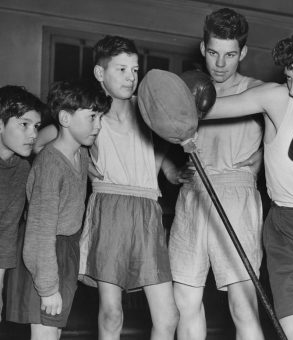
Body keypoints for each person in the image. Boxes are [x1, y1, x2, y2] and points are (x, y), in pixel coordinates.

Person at [204, 18, 293, 340]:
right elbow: (205, 110)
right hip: (289, 231)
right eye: (289, 77)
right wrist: (171, 101)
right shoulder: (277, 99)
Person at [75, 35, 182, 340]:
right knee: (112, 312)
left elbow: (158, 144)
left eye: (135, 70)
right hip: (110, 208)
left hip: (147, 208)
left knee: (169, 316)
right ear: (100, 73)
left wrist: (168, 168)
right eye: (121, 69)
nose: (130, 77)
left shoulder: (147, 109)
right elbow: (54, 141)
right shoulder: (89, 112)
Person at [168, 8, 265, 340]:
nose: (220, 64)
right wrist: (169, 168)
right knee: (185, 304)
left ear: (243, 53)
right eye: (213, 53)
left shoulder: (260, 91)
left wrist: (261, 160)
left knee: (243, 307)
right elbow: (154, 136)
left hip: (236, 195)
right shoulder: (185, 92)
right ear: (202, 48)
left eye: (230, 54)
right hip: (193, 194)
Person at [6, 80, 111, 340]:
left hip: (65, 253)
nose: (98, 126)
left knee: (55, 334)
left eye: (100, 117)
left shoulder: (81, 153)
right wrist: (47, 287)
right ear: (65, 118)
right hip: (44, 257)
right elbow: (40, 232)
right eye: (91, 117)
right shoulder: (49, 166)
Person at [0, 85, 44, 321]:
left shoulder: (21, 168)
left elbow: (5, 233)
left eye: (36, 126)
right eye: (24, 124)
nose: (33, 134)